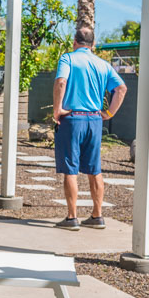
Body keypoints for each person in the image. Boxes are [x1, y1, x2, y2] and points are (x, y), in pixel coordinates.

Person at [52, 26, 127, 230]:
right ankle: (97, 215)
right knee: (95, 169)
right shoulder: (103, 65)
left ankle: (71, 217)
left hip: (72, 119)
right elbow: (121, 88)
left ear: (75, 42)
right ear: (93, 45)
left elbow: (61, 82)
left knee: (71, 169)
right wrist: (109, 114)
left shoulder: (68, 59)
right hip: (94, 120)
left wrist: (57, 110)